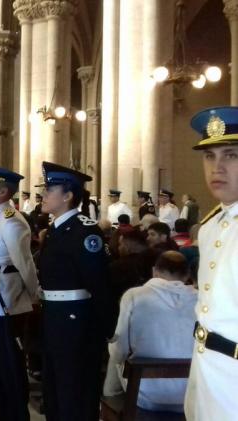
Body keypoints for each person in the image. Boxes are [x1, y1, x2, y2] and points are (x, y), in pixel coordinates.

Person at [37, 161, 114, 421]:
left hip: (76, 321)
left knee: (75, 389)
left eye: (50, 190)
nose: (43, 195)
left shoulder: (84, 231)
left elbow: (99, 284)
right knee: (55, 387)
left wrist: (106, 329)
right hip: (54, 316)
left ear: (68, 196)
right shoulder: (57, 229)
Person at [184, 106, 238, 419]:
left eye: (230, 155)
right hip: (205, 372)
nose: (217, 167)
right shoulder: (210, 227)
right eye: (209, 156)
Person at [0, 164, 38, 421]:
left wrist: (33, 295)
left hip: (5, 296)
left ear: (3, 192)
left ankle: (16, 412)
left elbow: (24, 262)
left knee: (8, 358)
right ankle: (4, 407)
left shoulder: (12, 220)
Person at [104, 251, 197, 413]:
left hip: (144, 393)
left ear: (154, 271)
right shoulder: (201, 299)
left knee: (116, 349)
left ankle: (109, 399)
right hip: (191, 392)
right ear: (187, 275)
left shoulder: (134, 295)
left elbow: (120, 352)